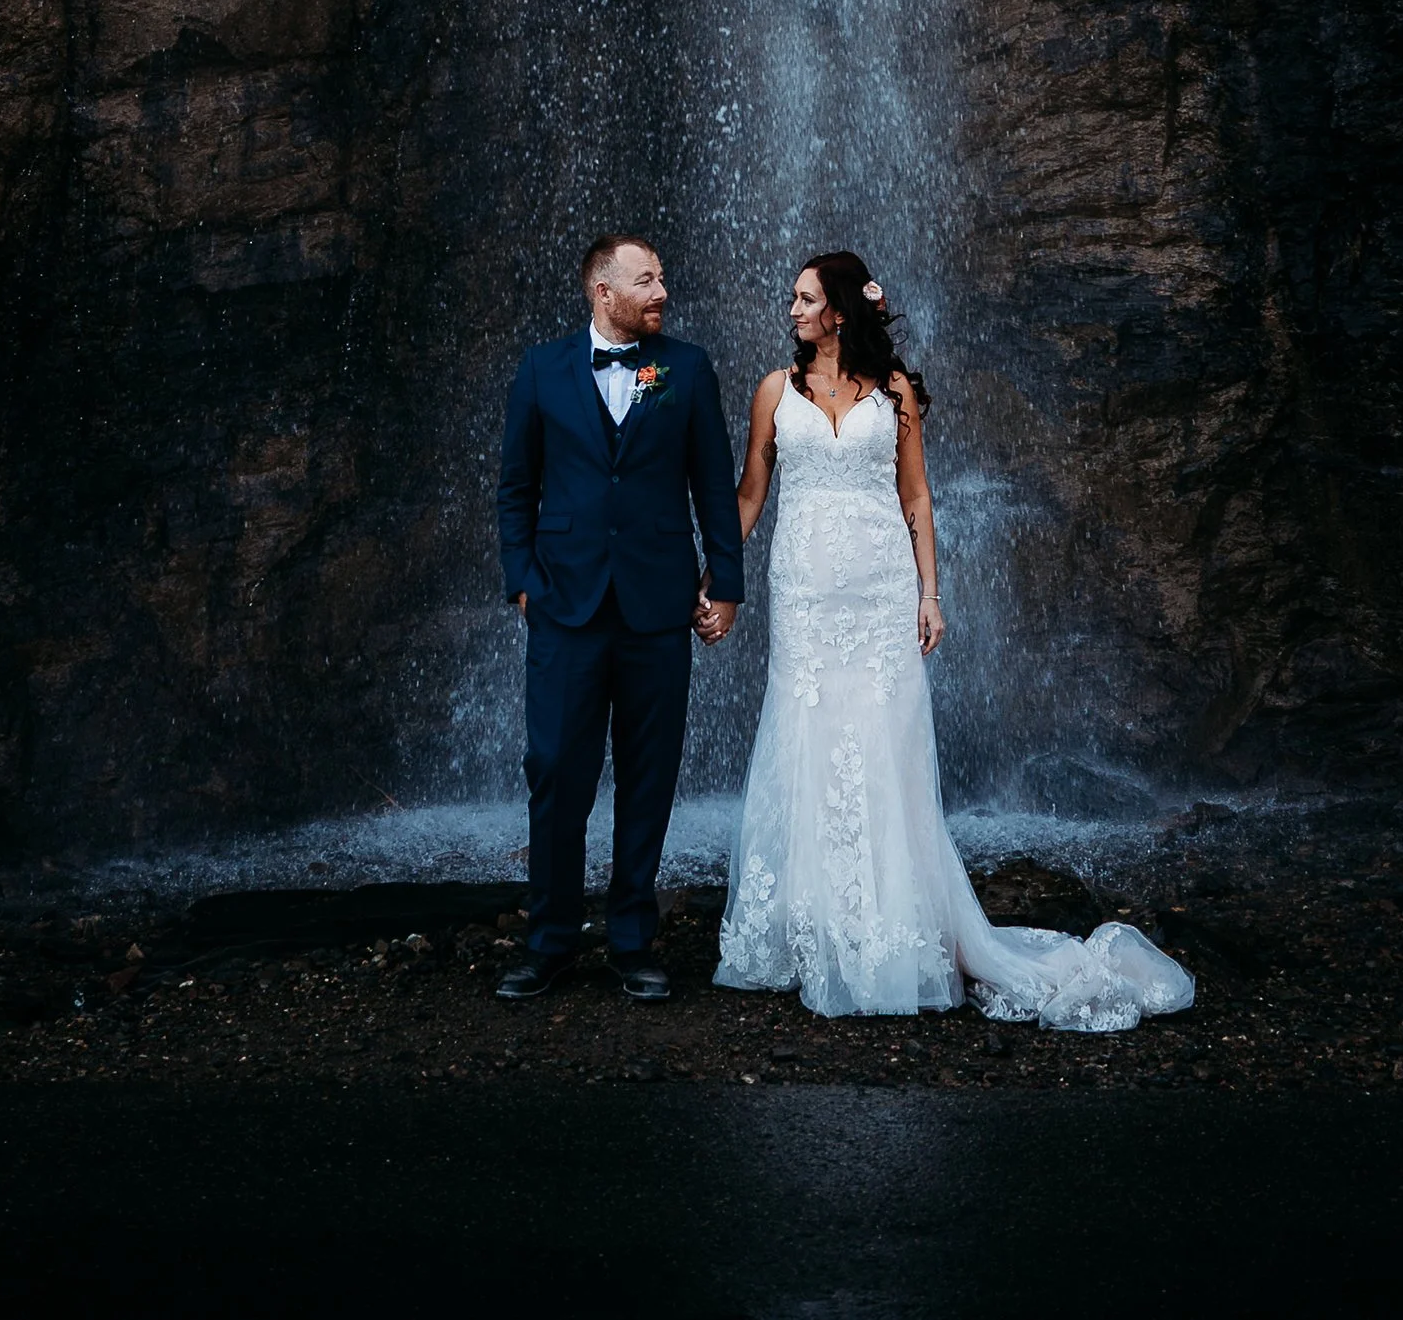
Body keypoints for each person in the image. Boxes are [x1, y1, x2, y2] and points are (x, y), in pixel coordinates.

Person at [713, 249, 1196, 1030]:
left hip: (879, 596)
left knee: (884, 749)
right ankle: (816, 929)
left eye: (804, 298)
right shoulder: (775, 389)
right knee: (805, 739)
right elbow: (750, 493)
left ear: (839, 308)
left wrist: (930, 592)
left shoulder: (896, 390)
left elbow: (916, 495)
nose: (792, 309)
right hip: (804, 596)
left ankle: (893, 930)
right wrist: (715, 574)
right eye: (794, 298)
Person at [494, 233, 745, 999]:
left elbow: (713, 483)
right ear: (602, 291)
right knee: (556, 775)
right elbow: (514, 488)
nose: (661, 290)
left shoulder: (688, 368)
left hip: (657, 606)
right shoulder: (540, 369)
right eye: (646, 280)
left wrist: (726, 583)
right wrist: (523, 581)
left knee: (649, 777)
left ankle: (633, 939)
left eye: (662, 277)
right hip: (565, 606)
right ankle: (550, 941)